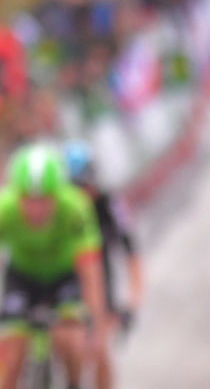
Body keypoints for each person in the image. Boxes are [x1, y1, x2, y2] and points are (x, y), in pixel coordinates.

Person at [0, 142, 110, 389]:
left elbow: (92, 274)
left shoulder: (76, 207)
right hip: (21, 278)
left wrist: (97, 330)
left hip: (64, 276)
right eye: (29, 200)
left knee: (72, 341)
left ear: (58, 193)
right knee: (11, 358)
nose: (37, 209)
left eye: (45, 200)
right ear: (16, 194)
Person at [64, 140, 143, 328]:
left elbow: (132, 253)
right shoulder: (64, 213)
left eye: (85, 185)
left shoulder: (110, 202)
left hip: (100, 274)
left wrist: (133, 303)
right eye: (75, 189)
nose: (83, 194)